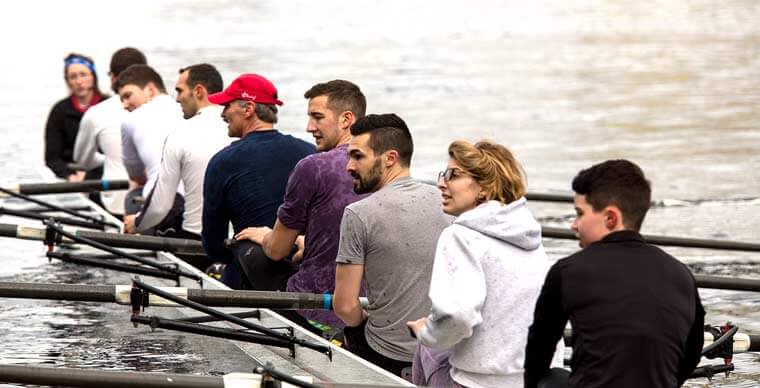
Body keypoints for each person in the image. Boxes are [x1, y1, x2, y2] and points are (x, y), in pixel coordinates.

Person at [523, 159, 705, 388]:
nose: (573, 225)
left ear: (611, 218)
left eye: (579, 213)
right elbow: (691, 355)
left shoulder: (568, 270)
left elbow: (539, 349)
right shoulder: (682, 275)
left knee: (552, 378)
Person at [406, 140, 564, 388]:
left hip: (477, 383)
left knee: (426, 346)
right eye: (442, 174)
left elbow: (457, 315)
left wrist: (426, 332)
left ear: (484, 188)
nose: (441, 183)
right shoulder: (528, 232)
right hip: (534, 378)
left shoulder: (459, 235)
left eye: (453, 175)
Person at [233, 80, 367, 334]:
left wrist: (265, 237)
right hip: (370, 304)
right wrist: (309, 242)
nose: (309, 127)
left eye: (317, 117)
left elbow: (276, 250)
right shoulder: (383, 166)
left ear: (346, 119)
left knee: (247, 247)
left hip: (321, 308)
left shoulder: (313, 166)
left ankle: (259, 336)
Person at [332, 113, 452, 378]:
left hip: (385, 354)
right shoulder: (450, 204)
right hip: (443, 356)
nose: (349, 166)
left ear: (390, 158)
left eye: (358, 156)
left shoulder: (358, 214)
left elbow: (344, 305)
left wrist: (361, 327)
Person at [202, 73, 315, 289]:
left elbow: (213, 246)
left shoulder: (222, 161)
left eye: (227, 105)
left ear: (248, 109)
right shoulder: (310, 153)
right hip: (306, 272)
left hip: (251, 276)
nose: (223, 113)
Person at [129, 64, 229, 242]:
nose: (177, 99)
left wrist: (136, 224)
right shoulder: (243, 129)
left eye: (180, 91)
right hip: (242, 241)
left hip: (197, 241)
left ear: (198, 91)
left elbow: (159, 207)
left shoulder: (180, 134)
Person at [74, 47, 147, 216]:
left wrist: (108, 158)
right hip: (160, 204)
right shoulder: (170, 108)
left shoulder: (96, 113)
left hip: (117, 204)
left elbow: (83, 162)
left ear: (113, 77)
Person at [114, 64, 184, 235]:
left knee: (134, 193)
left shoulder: (130, 121)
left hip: (159, 209)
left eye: (128, 96)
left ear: (150, 90)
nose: (124, 104)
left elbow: (136, 175)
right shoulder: (187, 111)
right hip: (198, 207)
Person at [45, 53, 105, 181]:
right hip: (73, 176)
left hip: (106, 172)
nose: (78, 81)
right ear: (67, 81)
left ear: (93, 77)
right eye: (73, 77)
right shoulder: (59, 111)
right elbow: (52, 158)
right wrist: (69, 175)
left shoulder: (109, 105)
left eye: (83, 75)